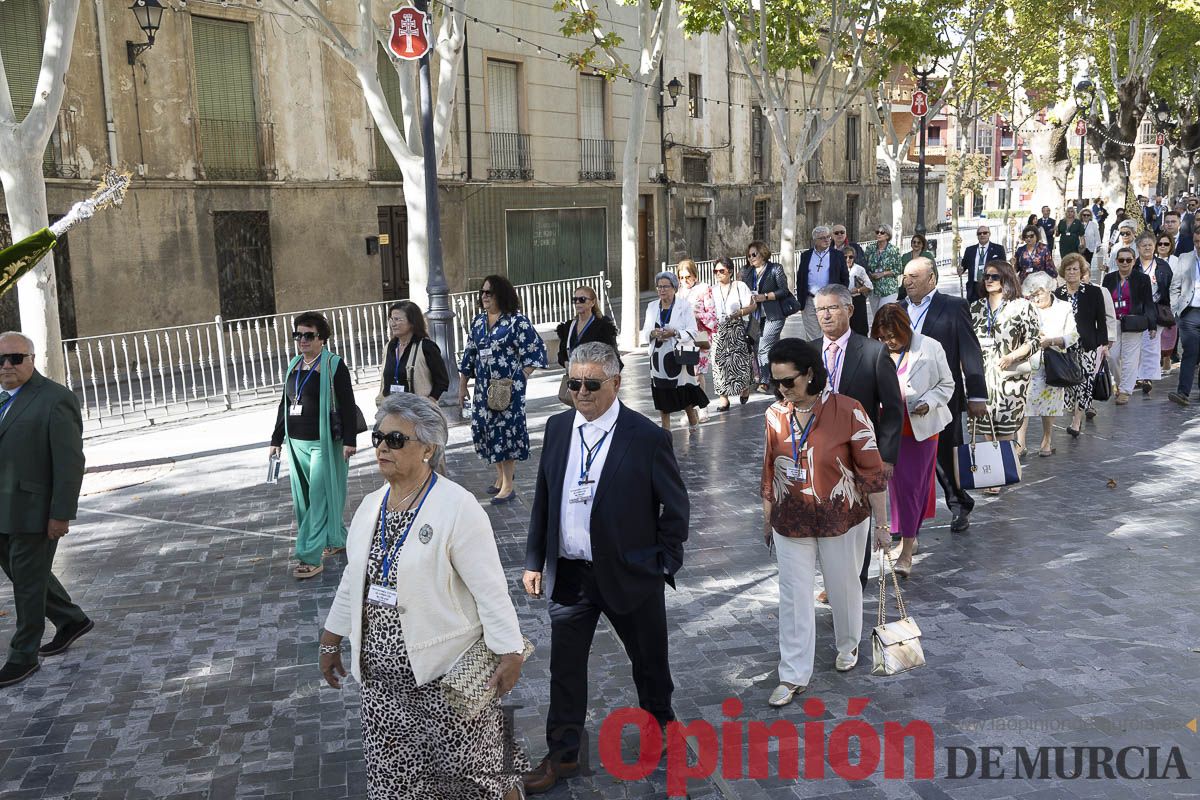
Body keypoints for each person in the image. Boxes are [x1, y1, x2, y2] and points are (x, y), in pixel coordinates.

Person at [320, 394, 527, 800]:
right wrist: (331, 638)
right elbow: (352, 581)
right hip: (381, 690)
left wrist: (510, 652)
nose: (381, 446)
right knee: (396, 784)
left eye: (395, 440)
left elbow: (491, 590)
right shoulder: (369, 506)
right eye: (379, 437)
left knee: (478, 779)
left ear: (429, 449)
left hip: (445, 680)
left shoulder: (457, 507)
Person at [522, 342, 688, 794]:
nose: (580, 392)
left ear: (615, 383)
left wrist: (660, 564)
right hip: (572, 574)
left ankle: (661, 726)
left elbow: (675, 510)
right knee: (565, 668)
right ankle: (564, 753)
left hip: (631, 572)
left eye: (591, 384)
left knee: (650, 662)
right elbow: (545, 498)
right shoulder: (557, 429)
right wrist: (536, 559)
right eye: (573, 383)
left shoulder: (647, 437)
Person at [760, 338, 889, 707]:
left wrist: (883, 525)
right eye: (776, 383)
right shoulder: (775, 415)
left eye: (789, 381)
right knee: (794, 596)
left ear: (811, 374)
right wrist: (767, 518)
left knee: (844, 586)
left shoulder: (848, 410)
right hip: (791, 519)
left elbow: (872, 472)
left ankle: (848, 645)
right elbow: (769, 470)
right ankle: (793, 674)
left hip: (842, 518)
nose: (783, 390)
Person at [0, 332, 91, 689]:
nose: (7, 366)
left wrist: (61, 514)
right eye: (1, 360)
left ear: (32, 359)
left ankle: (23, 656)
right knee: (28, 576)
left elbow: (70, 464)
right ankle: (70, 620)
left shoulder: (55, 399)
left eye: (16, 358)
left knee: (26, 585)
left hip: (34, 512)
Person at [810, 284, 902, 592]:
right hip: (817, 454)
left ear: (849, 310)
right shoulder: (808, 352)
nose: (825, 315)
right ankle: (833, 579)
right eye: (820, 309)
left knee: (857, 519)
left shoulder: (874, 353)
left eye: (832, 308)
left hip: (859, 455)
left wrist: (886, 456)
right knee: (823, 517)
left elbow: (891, 409)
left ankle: (853, 582)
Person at [899, 257, 988, 532]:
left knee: (946, 456)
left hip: (941, 398)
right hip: (904, 398)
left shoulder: (953, 307)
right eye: (905, 276)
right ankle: (905, 518)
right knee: (906, 461)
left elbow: (970, 351)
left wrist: (977, 395)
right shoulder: (897, 309)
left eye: (915, 275)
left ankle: (959, 504)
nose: (908, 281)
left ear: (932, 279)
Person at [270, 312, 361, 579]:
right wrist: (276, 439)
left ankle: (309, 556)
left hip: (324, 443)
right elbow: (285, 404)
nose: (302, 340)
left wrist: (350, 441)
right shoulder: (294, 365)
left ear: (322, 338)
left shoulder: (334, 365)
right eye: (298, 335)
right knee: (305, 501)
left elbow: (346, 403)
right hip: (296, 443)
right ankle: (335, 537)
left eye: (308, 335)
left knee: (319, 499)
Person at [870, 307, 953, 578]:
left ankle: (906, 551)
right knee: (893, 488)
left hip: (921, 431)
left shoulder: (930, 347)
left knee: (912, 490)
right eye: (883, 337)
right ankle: (909, 535)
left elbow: (946, 384)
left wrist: (928, 403)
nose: (889, 342)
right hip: (887, 432)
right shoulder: (876, 351)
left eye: (893, 336)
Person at [457, 275, 548, 504]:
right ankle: (500, 476)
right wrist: (462, 385)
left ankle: (508, 486)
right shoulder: (478, 322)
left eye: (490, 293)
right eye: (482, 292)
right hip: (482, 389)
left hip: (507, 389)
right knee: (485, 431)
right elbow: (470, 354)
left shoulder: (516, 322)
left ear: (502, 295)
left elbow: (536, 350)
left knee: (505, 433)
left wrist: (522, 375)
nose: (484, 297)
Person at [971, 261, 1040, 484]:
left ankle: (1001, 474)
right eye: (986, 277)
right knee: (986, 429)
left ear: (1006, 279)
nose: (988, 280)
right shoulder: (975, 307)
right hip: (982, 377)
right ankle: (998, 473)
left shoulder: (1022, 306)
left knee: (1005, 430)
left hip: (1010, 377)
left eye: (994, 277)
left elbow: (1036, 340)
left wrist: (1012, 356)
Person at [1019, 273, 1079, 457]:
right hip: (1029, 362)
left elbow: (1073, 336)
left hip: (1054, 364)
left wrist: (1052, 340)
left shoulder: (1064, 307)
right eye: (1032, 295)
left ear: (1048, 290)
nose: (1035, 298)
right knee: (1024, 402)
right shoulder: (1025, 307)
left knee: (1050, 404)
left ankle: (1047, 440)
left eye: (1038, 294)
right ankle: (1020, 443)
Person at [641, 271, 708, 428]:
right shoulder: (652, 307)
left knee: (684, 397)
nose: (661, 290)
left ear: (674, 288)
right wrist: (652, 333)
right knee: (663, 398)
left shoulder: (683, 306)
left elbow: (692, 331)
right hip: (658, 359)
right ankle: (666, 433)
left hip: (678, 358)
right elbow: (646, 331)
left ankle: (694, 426)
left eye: (665, 286)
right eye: (659, 287)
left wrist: (675, 333)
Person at [1055, 253, 1112, 435]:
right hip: (1065, 346)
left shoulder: (1094, 292)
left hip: (1088, 345)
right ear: (1063, 272)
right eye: (1068, 269)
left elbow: (1101, 320)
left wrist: (1104, 344)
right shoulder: (1057, 294)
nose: (1072, 272)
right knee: (1070, 384)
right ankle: (1074, 411)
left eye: (1075, 269)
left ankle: (1076, 422)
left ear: (1082, 272)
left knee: (1084, 382)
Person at [1102, 247, 1157, 405]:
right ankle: (1120, 384)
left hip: (1133, 322)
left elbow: (1148, 303)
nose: (1125, 263)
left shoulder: (1142, 279)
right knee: (1112, 357)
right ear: (1116, 261)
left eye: (1128, 260)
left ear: (1134, 261)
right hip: (1113, 322)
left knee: (1130, 358)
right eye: (1121, 260)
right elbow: (1103, 300)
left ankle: (1125, 390)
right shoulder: (1109, 278)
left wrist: (1152, 324)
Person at [742, 241, 797, 391]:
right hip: (755, 315)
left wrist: (764, 296)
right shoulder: (747, 272)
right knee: (758, 346)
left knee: (764, 347)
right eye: (748, 256)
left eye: (754, 254)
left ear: (763, 253)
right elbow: (742, 290)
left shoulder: (775, 269)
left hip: (774, 314)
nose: (751, 258)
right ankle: (777, 374)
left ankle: (765, 382)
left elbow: (783, 291)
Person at [377, 301, 450, 405]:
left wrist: (430, 401)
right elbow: (384, 381)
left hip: (417, 413)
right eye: (391, 319)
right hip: (391, 411)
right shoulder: (389, 347)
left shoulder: (426, 347)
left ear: (412, 322)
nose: (393, 324)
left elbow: (442, 381)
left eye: (397, 319)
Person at [710, 255, 757, 409]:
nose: (718, 274)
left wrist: (740, 313)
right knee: (718, 363)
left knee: (740, 361)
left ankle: (744, 388)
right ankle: (723, 398)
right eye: (715, 271)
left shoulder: (739, 286)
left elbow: (752, 306)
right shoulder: (712, 290)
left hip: (737, 326)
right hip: (719, 329)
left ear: (730, 271)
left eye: (721, 271)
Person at [1133, 232, 1173, 395]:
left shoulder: (1162, 265)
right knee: (1137, 344)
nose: (1147, 248)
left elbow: (1169, 286)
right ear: (1138, 248)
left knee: (1151, 343)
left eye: (1150, 244)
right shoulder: (1133, 265)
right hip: (1138, 309)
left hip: (1156, 308)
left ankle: (1147, 377)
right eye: (1144, 245)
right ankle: (1136, 375)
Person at [676, 259, 719, 397]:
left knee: (696, 372)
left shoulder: (704, 289)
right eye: (681, 277)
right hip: (683, 336)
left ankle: (702, 407)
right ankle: (690, 407)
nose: (684, 280)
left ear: (695, 275)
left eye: (688, 277)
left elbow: (712, 315)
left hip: (700, 335)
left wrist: (696, 314)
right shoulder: (678, 292)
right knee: (685, 373)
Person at [797, 226, 849, 339]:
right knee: (813, 334)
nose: (827, 240)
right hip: (810, 299)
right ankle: (815, 355)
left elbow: (845, 278)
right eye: (822, 238)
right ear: (815, 240)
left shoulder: (837, 255)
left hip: (830, 299)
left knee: (830, 331)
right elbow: (800, 278)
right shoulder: (806, 255)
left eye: (828, 237)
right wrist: (800, 299)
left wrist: (841, 297)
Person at [1168, 229, 1200, 406]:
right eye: (1196, 242)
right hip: (1189, 312)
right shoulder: (1185, 258)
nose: (1199, 245)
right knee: (1190, 352)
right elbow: (1175, 285)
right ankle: (1183, 392)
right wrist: (1175, 310)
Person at [555, 286, 618, 372]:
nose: (577, 302)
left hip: (594, 377)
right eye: (575, 300)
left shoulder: (603, 327)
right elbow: (561, 354)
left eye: (582, 299)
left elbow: (613, 356)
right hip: (574, 378)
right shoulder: (568, 327)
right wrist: (565, 363)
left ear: (592, 302)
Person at [959, 225, 1006, 304]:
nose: (982, 235)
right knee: (973, 312)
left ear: (989, 234)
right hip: (973, 287)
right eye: (979, 233)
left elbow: (1003, 268)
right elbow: (964, 266)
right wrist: (960, 269)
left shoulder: (998, 249)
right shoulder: (970, 250)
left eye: (985, 233)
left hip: (990, 284)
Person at [865, 224, 903, 321]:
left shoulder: (893, 250)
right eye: (877, 232)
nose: (879, 234)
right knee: (876, 317)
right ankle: (877, 335)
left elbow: (899, 269)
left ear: (887, 235)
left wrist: (883, 274)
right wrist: (870, 274)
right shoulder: (870, 249)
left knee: (884, 315)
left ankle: (886, 335)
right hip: (874, 288)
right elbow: (864, 265)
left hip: (889, 289)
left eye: (882, 232)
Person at [844, 246, 873, 335]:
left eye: (851, 257)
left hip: (857, 301)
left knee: (860, 329)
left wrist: (858, 290)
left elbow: (869, 285)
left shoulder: (859, 269)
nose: (848, 259)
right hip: (844, 302)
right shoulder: (838, 268)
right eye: (845, 257)